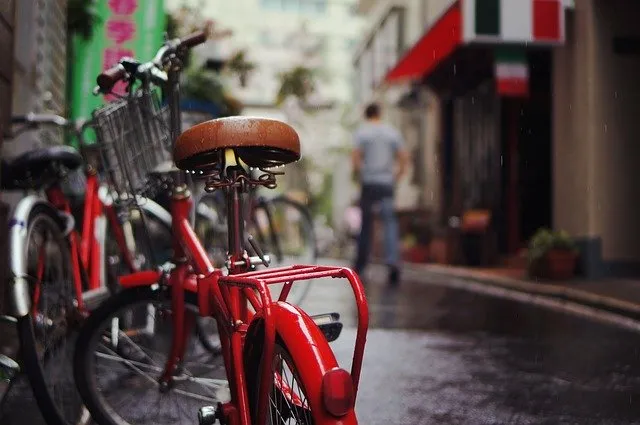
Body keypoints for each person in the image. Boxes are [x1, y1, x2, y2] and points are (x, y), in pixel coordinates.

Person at [351, 102, 409, 286]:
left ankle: (361, 265)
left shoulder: (362, 132)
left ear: (366, 115)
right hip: (386, 183)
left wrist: (362, 173)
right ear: (379, 113)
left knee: (366, 224)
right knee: (389, 223)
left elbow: (355, 157)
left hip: (369, 183)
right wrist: (397, 176)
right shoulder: (391, 132)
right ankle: (392, 262)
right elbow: (403, 156)